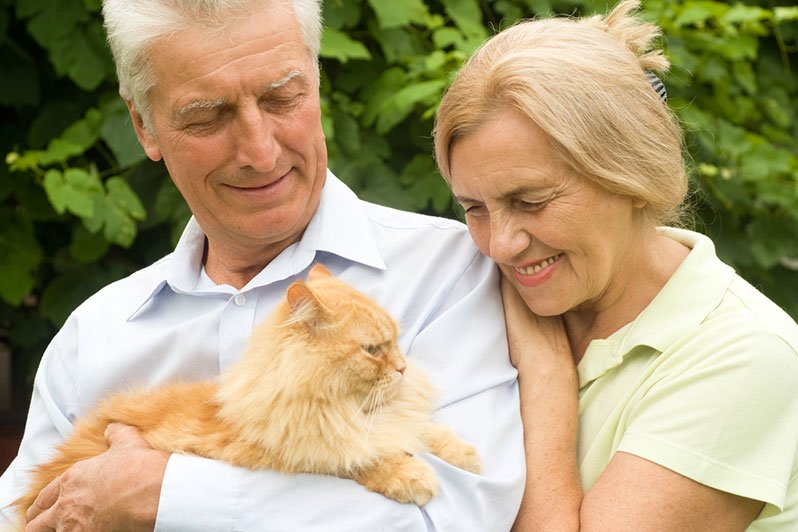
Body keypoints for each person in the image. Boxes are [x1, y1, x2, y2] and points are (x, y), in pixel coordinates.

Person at [0, 0, 526, 530]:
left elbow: (459, 514)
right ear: (145, 127)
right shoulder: (94, 336)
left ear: (317, 85)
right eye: (207, 117)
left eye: (282, 98)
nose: (260, 152)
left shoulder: (451, 272)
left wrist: (167, 495)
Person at [433, 0, 798, 530]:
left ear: (630, 174)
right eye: (474, 208)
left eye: (531, 201)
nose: (502, 245)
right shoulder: (467, 290)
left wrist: (545, 376)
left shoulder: (746, 356)